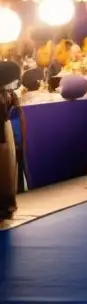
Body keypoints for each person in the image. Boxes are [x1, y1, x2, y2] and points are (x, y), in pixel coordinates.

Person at [1, 60, 25, 222]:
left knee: (8, 171)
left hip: (5, 132)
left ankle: (6, 206)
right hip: (1, 135)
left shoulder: (5, 92)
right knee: (4, 172)